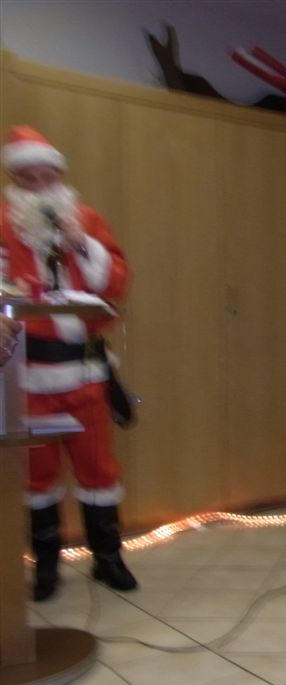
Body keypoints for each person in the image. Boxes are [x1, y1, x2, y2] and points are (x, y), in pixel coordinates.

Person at [0, 125, 135, 601]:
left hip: (86, 373)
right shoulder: (2, 224)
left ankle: (108, 558)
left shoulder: (87, 219)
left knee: (98, 469)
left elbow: (116, 281)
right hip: (29, 377)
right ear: (14, 181)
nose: (41, 186)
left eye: (48, 177)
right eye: (29, 178)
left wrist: (82, 244)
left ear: (60, 176)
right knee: (37, 476)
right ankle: (46, 567)